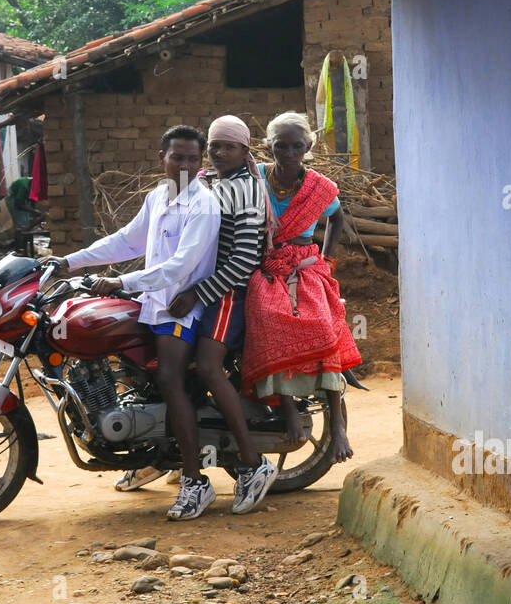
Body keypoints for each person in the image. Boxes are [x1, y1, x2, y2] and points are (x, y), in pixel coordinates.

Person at [53, 125, 223, 520]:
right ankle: (153, 453)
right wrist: (68, 261)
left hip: (181, 307)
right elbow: (126, 241)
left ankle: (195, 481)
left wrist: (121, 281)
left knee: (168, 378)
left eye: (193, 158)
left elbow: (180, 266)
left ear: (200, 162)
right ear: (160, 157)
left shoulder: (204, 204)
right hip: (152, 301)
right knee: (131, 372)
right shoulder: (157, 197)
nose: (185, 165)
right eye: (177, 157)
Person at [165, 115, 277, 514]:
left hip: (229, 293)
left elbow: (245, 258)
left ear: (245, 150)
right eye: (214, 145)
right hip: (206, 291)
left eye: (228, 146)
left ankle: (252, 462)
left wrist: (198, 291)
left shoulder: (245, 191)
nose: (219, 152)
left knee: (209, 367)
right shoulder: (214, 183)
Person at [240, 111, 362, 462]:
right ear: (269, 147)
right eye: (281, 146)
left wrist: (326, 258)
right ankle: (288, 409)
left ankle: (337, 423)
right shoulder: (257, 176)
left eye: (297, 146)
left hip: (306, 267)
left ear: (308, 147)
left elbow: (337, 218)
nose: (289, 153)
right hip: (267, 267)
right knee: (267, 321)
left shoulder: (319, 188)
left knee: (326, 330)